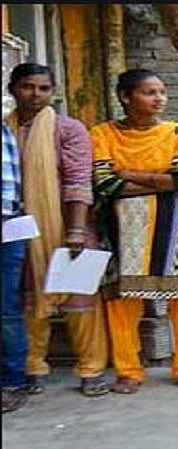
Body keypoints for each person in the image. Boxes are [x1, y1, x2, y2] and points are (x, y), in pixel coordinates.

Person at [91, 68, 178, 394]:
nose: (159, 99)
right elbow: (105, 183)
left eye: (162, 92)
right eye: (149, 92)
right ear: (125, 97)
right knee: (120, 301)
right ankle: (129, 370)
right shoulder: (102, 134)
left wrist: (129, 173)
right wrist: (162, 182)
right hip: (120, 232)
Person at [6, 63, 110, 397]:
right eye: (27, 87)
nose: (34, 94)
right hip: (18, 228)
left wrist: (76, 231)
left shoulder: (68, 130)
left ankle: (91, 368)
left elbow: (78, 181)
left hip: (69, 223)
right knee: (26, 299)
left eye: (43, 88)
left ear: (53, 92)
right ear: (12, 89)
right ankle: (32, 366)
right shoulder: (6, 129)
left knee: (79, 299)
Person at [2, 123, 30, 413]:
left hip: (6, 230)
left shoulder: (3, 132)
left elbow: (9, 191)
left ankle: (12, 381)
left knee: (7, 310)